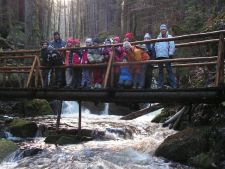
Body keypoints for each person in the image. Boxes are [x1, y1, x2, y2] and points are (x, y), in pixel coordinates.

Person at [155, 24, 176, 88]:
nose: (163, 30)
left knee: (169, 70)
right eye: (161, 29)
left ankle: (173, 85)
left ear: (166, 29)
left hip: (167, 56)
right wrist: (156, 55)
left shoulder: (169, 37)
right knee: (160, 71)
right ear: (160, 30)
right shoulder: (158, 38)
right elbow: (156, 47)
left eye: (164, 29)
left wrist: (170, 54)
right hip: (159, 56)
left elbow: (172, 46)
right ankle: (160, 85)